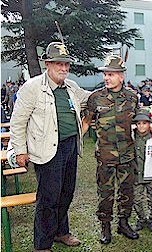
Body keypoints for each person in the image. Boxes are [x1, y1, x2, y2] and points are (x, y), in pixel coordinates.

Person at [10, 41, 90, 252]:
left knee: (66, 193)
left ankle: (61, 232)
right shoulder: (32, 88)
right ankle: (42, 244)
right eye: (58, 64)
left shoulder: (71, 86)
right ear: (48, 64)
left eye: (66, 64)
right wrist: (20, 150)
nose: (63, 68)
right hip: (47, 150)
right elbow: (18, 121)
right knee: (48, 198)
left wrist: (110, 88)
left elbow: (88, 100)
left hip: (70, 146)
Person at [82, 55, 152, 244]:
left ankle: (123, 223)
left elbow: (141, 119)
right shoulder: (96, 97)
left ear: (121, 76)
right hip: (105, 155)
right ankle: (105, 227)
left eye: (111, 74)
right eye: (105, 74)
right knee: (106, 192)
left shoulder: (132, 97)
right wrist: (74, 142)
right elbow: (86, 122)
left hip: (127, 154)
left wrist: (151, 132)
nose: (107, 78)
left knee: (127, 191)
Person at [132, 108, 152, 233]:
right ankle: (141, 219)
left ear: (149, 124)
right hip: (136, 175)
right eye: (138, 123)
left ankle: (151, 219)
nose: (141, 126)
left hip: (150, 175)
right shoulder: (131, 137)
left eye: (144, 123)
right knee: (136, 199)